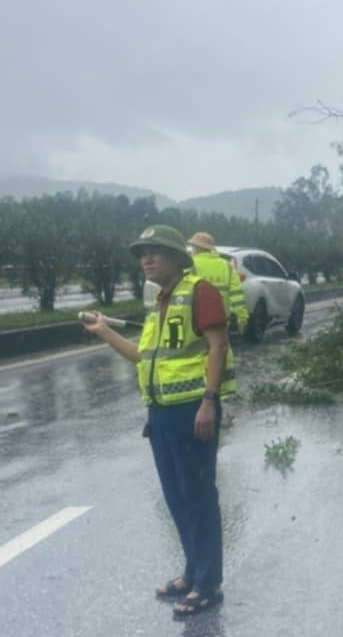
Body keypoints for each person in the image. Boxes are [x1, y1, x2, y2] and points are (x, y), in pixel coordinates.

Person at [82, 225, 235, 617]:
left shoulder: (200, 291)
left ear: (176, 258)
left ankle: (208, 584)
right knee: (177, 498)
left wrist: (209, 402)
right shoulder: (160, 301)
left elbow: (218, 346)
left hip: (192, 411)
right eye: (142, 253)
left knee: (199, 497)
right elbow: (142, 357)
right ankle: (192, 571)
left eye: (155, 252)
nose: (146, 259)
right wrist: (104, 332)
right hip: (161, 413)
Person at [187, 231, 248, 336]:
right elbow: (237, 294)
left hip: (194, 320)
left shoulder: (190, 265)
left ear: (196, 248)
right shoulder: (226, 266)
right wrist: (242, 317)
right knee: (220, 348)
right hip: (221, 321)